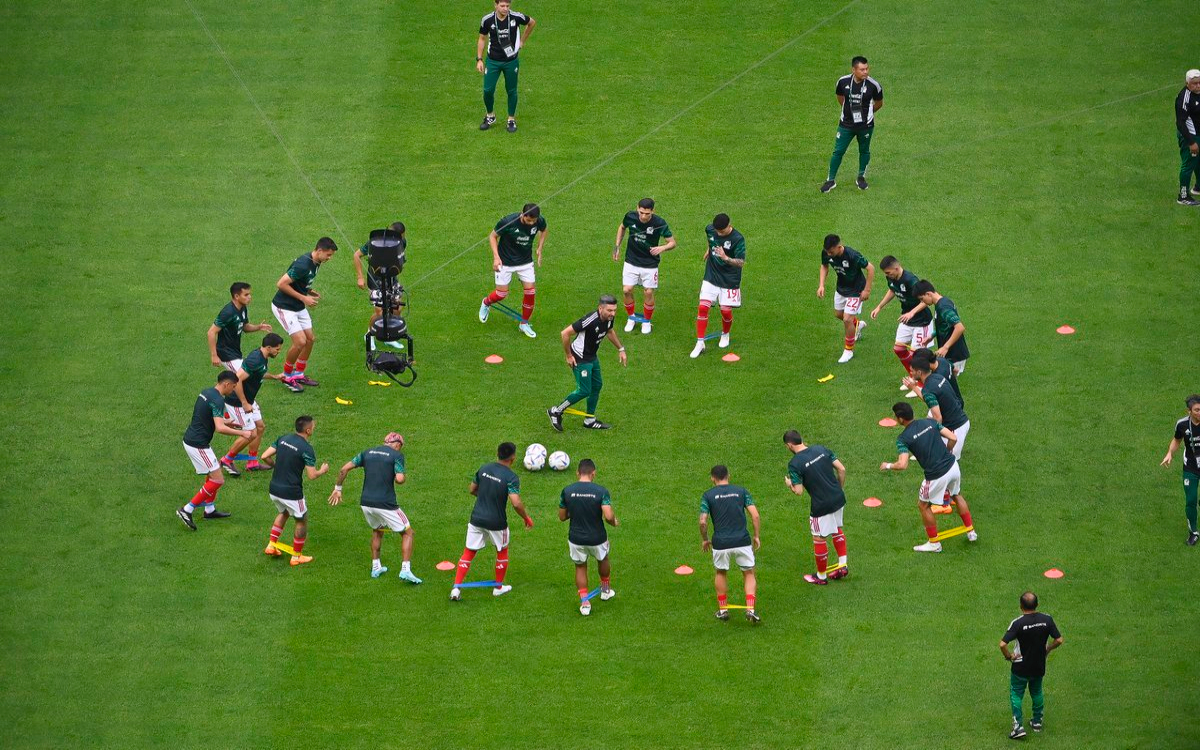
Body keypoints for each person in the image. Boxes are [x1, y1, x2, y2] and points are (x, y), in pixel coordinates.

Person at [880, 402, 977, 551]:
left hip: (936, 475)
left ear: (900, 419)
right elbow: (953, 437)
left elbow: (902, 465)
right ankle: (971, 531)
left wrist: (887, 465)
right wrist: (947, 451)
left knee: (923, 505)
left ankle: (934, 543)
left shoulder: (903, 439)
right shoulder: (930, 422)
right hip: (953, 466)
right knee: (956, 495)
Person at [329, 432, 422, 582]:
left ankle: (376, 566)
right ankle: (405, 570)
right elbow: (400, 479)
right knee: (408, 533)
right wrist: (399, 477)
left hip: (366, 503)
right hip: (386, 503)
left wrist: (338, 489)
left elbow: (344, 469)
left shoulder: (367, 453)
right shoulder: (396, 455)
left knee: (377, 530)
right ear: (397, 444)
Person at [451, 442, 534, 600]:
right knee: (502, 551)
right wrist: (526, 517)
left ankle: (456, 588)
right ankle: (498, 587)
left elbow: (472, 489)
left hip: (476, 518)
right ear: (513, 458)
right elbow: (516, 502)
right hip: (497, 522)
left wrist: (485, 497)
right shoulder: (511, 477)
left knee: (469, 552)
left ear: (497, 453)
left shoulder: (484, 468)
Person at [176, 371, 255, 530]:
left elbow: (209, 417)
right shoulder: (218, 400)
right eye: (233, 387)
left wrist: (228, 423)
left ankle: (209, 510)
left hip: (193, 439)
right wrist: (242, 433)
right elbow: (219, 428)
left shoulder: (207, 393)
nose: (233, 390)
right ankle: (187, 509)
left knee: (213, 473)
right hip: (198, 445)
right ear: (226, 384)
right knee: (218, 479)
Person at [547, 295, 627, 432]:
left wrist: (621, 349)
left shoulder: (609, 319)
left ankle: (589, 420)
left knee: (597, 385)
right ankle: (556, 411)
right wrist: (568, 355)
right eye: (609, 310)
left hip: (591, 357)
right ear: (600, 308)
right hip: (580, 357)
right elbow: (565, 333)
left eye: (614, 310)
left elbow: (609, 331)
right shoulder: (590, 320)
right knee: (584, 390)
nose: (613, 313)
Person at [258, 415, 329, 566]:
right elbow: (311, 475)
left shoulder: (283, 438)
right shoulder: (306, 449)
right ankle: (296, 556)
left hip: (274, 489)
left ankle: (271, 545)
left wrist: (275, 466)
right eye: (313, 427)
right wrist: (323, 470)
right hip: (292, 493)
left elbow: (264, 456)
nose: (314, 429)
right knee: (301, 520)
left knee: (283, 512)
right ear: (308, 430)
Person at [783, 430, 849, 585]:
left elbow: (798, 491)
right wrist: (838, 488)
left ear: (789, 445)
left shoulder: (795, 464)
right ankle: (842, 565)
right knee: (837, 528)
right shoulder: (821, 448)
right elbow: (842, 469)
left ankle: (820, 577)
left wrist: (789, 485)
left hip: (821, 505)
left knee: (819, 539)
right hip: (838, 498)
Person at [272, 237, 338, 389]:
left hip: (297, 305)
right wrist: (304, 297)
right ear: (319, 250)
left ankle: (298, 374)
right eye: (328, 255)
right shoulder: (303, 264)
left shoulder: (317, 262)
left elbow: (300, 281)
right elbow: (281, 284)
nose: (329, 258)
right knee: (300, 342)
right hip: (284, 306)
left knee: (310, 339)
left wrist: (308, 290)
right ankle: (287, 376)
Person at [218, 333, 287, 475]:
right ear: (268, 347)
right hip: (237, 402)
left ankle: (252, 462)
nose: (278, 352)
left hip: (248, 401)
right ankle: (227, 460)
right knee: (250, 433)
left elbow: (259, 373)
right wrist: (244, 403)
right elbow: (236, 380)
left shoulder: (262, 357)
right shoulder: (255, 359)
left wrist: (274, 377)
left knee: (260, 427)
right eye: (277, 349)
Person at [699, 465, 761, 623]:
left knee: (720, 572)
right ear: (728, 475)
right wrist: (756, 536)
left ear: (712, 478)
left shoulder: (708, 495)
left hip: (720, 542)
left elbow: (703, 522)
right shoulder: (741, 491)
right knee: (748, 573)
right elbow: (755, 516)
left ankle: (723, 610)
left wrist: (705, 539)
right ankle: (750, 609)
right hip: (742, 540)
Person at [558, 458, 619, 616]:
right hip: (597, 537)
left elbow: (562, 517)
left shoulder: (567, 490)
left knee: (580, 567)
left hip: (576, 538)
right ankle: (605, 591)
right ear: (594, 474)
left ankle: (585, 603)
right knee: (603, 559)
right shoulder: (601, 491)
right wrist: (613, 522)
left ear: (577, 473)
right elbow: (608, 515)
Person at [999, 591, 1064, 739]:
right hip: (1038, 665)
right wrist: (1048, 649)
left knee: (1016, 694)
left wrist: (1009, 656)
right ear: (1037, 605)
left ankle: (1018, 727)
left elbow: (1002, 644)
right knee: (1036, 692)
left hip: (1020, 667)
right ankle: (1037, 722)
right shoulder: (1047, 619)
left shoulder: (1018, 623)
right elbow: (1059, 640)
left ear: (1021, 606)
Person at [478, 203, 546, 338]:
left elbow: (544, 230)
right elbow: (492, 236)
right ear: (522, 214)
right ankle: (486, 303)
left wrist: (539, 248)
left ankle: (524, 323)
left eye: (533, 221)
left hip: (525, 262)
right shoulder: (508, 222)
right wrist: (496, 258)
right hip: (505, 262)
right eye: (528, 220)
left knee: (530, 292)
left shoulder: (539, 220)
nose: (531, 223)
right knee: (501, 294)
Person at [870, 256, 932, 396]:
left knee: (918, 355)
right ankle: (913, 377)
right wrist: (879, 307)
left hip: (921, 321)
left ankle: (921, 385)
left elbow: (927, 301)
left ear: (896, 268)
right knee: (899, 349)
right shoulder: (892, 278)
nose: (887, 275)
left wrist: (912, 313)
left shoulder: (911, 280)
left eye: (888, 272)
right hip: (906, 318)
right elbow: (892, 290)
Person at [820, 56, 883, 193]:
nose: (865, 72)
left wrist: (868, 114)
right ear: (853, 70)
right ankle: (830, 180)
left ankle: (861, 177)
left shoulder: (874, 85)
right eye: (862, 69)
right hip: (846, 125)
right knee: (838, 151)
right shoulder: (843, 82)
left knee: (864, 151)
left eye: (867, 69)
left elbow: (879, 103)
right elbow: (840, 97)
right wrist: (847, 110)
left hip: (865, 126)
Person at [613, 198, 676, 334]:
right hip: (631, 260)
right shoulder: (630, 216)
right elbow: (622, 227)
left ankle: (646, 321)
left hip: (650, 263)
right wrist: (617, 246)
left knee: (648, 291)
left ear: (653, 211)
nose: (643, 216)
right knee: (627, 290)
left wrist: (662, 248)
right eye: (641, 212)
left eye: (647, 213)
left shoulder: (659, 223)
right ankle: (631, 318)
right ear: (637, 208)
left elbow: (672, 243)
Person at [690, 213, 746, 359]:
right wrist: (709, 250)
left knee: (725, 311)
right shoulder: (710, 229)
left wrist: (725, 257)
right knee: (702, 307)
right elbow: (711, 240)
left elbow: (741, 262)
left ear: (729, 225)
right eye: (717, 231)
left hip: (730, 280)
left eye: (722, 231)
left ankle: (725, 333)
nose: (718, 233)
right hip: (711, 275)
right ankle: (700, 342)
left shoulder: (738, 239)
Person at [476, 0, 536, 132]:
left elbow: (532, 22)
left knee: (511, 90)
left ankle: (511, 119)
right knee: (487, 90)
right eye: (502, 6)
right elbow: (482, 38)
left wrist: (522, 41)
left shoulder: (516, 17)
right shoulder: (487, 20)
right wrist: (479, 59)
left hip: (511, 61)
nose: (505, 9)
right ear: (495, 5)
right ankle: (490, 116)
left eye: (507, 6)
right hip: (493, 61)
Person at [818, 234, 874, 363]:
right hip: (842, 288)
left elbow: (870, 268)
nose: (829, 254)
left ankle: (849, 350)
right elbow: (824, 266)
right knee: (839, 315)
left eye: (831, 252)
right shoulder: (827, 253)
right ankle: (858, 325)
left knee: (847, 319)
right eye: (827, 252)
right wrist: (821, 285)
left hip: (856, 290)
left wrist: (867, 290)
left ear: (839, 247)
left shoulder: (852, 255)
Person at [905, 355, 970, 460]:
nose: (910, 373)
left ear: (919, 372)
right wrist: (914, 387)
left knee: (948, 460)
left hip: (956, 427)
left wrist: (934, 436)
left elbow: (938, 418)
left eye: (912, 371)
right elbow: (931, 398)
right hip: (958, 420)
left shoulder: (928, 389)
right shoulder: (937, 377)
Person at [207, 282, 275, 374]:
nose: (249, 297)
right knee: (244, 376)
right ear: (236, 296)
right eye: (246, 294)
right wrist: (214, 355)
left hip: (235, 351)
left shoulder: (242, 308)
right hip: (226, 353)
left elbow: (245, 327)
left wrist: (258, 327)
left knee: (241, 378)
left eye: (249, 294)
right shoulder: (228, 312)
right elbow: (211, 332)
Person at [1160, 394, 1200, 545]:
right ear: (1188, 411)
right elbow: (1177, 440)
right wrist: (1170, 453)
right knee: (1190, 500)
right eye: (1196, 410)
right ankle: (1194, 532)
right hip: (1190, 467)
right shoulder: (1182, 424)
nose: (1199, 413)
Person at [354, 222, 406, 335]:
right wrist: (360, 277)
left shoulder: (402, 242)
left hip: (392, 279)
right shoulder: (375, 242)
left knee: (397, 309)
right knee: (380, 313)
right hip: (375, 280)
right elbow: (357, 255)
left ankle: (391, 333)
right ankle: (369, 334)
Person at [913, 280, 969, 375]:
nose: (923, 302)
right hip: (951, 353)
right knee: (945, 381)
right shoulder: (942, 303)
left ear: (928, 294)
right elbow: (945, 324)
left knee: (944, 382)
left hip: (954, 353)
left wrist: (945, 347)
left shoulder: (943, 307)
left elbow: (959, 327)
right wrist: (932, 335)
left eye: (922, 299)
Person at [1174, 69, 1200, 206]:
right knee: (1188, 165)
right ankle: (1183, 196)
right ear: (1187, 83)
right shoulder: (1184, 98)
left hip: (1198, 134)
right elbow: (1180, 123)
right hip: (1190, 136)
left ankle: (1198, 187)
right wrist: (1191, 142)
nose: (1198, 86)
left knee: (1198, 161)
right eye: (1194, 83)